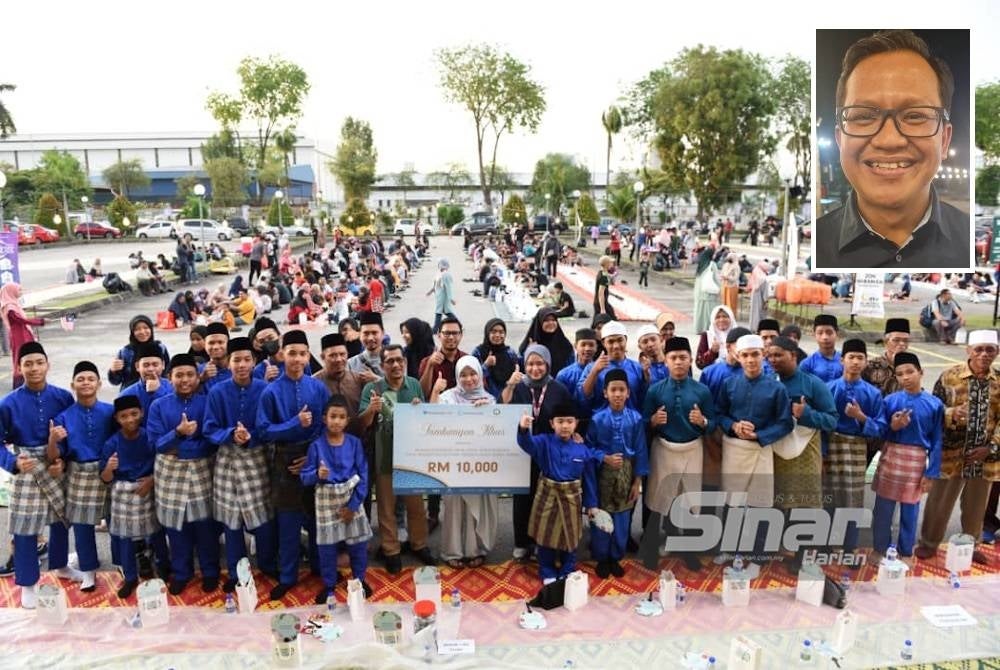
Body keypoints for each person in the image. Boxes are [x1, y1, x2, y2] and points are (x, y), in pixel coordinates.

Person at [815, 30, 968, 269]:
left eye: (915, 116)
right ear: (839, 140)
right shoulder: (815, 245)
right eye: (864, 116)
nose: (889, 140)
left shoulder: (971, 246)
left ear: (944, 140)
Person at [915, 330, 1000, 566]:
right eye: (979, 349)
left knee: (976, 507)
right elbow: (933, 410)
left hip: (983, 456)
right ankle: (928, 544)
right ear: (968, 351)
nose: (984, 354)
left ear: (997, 352)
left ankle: (970, 547)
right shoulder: (948, 376)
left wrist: (991, 447)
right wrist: (952, 414)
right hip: (952, 453)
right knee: (939, 502)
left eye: (990, 350)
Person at [256, 330, 330, 600]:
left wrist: (312, 457)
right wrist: (294, 423)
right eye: (291, 353)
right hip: (284, 461)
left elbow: (325, 426)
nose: (297, 359)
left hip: (314, 457)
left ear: (308, 355)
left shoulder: (318, 388)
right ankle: (288, 576)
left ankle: (321, 569)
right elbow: (264, 431)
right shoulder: (270, 391)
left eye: (302, 353)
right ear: (282, 355)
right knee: (288, 522)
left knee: (316, 520)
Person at [0, 342, 74, 608]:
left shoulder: (63, 397)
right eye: (28, 363)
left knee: (61, 519)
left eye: (38, 362)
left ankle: (61, 566)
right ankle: (28, 582)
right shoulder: (7, 403)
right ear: (19, 368)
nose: (34, 368)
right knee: (24, 526)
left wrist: (62, 460)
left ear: (47, 364)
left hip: (55, 464)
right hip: (26, 465)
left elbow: (71, 432)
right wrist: (13, 462)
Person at [203, 336, 278, 592]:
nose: (242, 364)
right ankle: (237, 572)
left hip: (257, 458)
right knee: (231, 518)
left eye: (247, 359)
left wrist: (251, 437)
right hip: (227, 459)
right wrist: (229, 434)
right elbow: (209, 428)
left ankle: (267, 563)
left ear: (254, 361)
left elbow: (269, 428)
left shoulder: (265, 390)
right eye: (237, 360)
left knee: (263, 516)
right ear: (229, 362)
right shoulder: (217, 392)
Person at [146, 354, 220, 596]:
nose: (185, 380)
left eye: (190, 374)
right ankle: (181, 572)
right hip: (170, 473)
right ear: (170, 378)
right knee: (175, 526)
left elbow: (210, 440)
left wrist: (180, 447)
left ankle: (210, 572)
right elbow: (155, 443)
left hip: (201, 470)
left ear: (198, 377)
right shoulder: (158, 405)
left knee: (204, 525)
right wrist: (178, 433)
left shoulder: (208, 402)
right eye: (179, 375)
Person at [358, 345, 434, 574]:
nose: (395, 365)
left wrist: (420, 412)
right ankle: (391, 550)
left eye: (399, 360)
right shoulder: (373, 388)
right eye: (390, 361)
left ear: (405, 362)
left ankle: (419, 544)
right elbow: (362, 424)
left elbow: (425, 424)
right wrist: (371, 410)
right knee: (386, 507)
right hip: (384, 456)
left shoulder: (414, 386)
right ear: (382, 366)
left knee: (416, 507)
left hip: (411, 458)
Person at [717, 335, 794, 556]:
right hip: (734, 451)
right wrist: (734, 426)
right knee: (732, 502)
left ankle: (758, 556)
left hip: (761, 451)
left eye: (755, 354)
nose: (751, 360)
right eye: (745, 355)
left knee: (759, 505)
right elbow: (719, 413)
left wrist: (759, 435)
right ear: (737, 357)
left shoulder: (776, 389)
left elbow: (785, 423)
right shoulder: (729, 384)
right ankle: (730, 549)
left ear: (764, 356)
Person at [643, 336, 716, 571]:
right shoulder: (655, 390)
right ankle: (651, 549)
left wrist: (702, 421)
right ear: (665, 361)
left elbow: (714, 423)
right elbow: (643, 421)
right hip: (663, 448)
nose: (678, 362)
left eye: (683, 358)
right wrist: (653, 421)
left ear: (690, 360)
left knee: (691, 501)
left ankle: (690, 551)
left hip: (693, 449)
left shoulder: (702, 391)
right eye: (673, 358)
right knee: (657, 500)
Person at [516, 402, 609, 584]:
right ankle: (547, 571)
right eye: (560, 421)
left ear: (575, 424)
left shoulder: (582, 450)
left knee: (571, 538)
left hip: (572, 498)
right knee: (545, 537)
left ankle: (568, 569)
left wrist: (592, 504)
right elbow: (526, 444)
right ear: (552, 423)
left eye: (569, 421)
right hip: (547, 495)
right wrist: (523, 429)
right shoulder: (543, 441)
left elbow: (589, 480)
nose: (565, 426)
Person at [768, 337, 838, 568]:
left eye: (779, 354)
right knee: (776, 502)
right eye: (770, 355)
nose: (773, 359)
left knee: (804, 505)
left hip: (806, 452)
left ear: (793, 355)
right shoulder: (768, 381)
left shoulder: (813, 384)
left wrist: (805, 414)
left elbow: (831, 420)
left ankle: (801, 556)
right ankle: (775, 550)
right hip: (775, 450)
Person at [46, 361, 116, 593]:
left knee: (115, 521)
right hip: (78, 473)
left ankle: (124, 565)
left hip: (108, 470)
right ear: (72, 385)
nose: (86, 383)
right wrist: (53, 440)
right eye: (81, 379)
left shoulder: (110, 411)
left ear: (99, 383)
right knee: (82, 525)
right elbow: (56, 456)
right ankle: (88, 571)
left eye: (90, 379)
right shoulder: (63, 416)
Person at [502, 344, 577, 561]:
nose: (535, 368)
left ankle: (538, 542)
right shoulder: (518, 386)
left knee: (543, 498)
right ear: (524, 365)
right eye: (530, 364)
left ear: (548, 364)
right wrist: (509, 384)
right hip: (521, 449)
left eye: (540, 363)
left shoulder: (558, 388)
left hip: (547, 450)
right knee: (522, 497)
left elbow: (567, 415)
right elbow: (502, 406)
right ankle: (521, 542)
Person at [301, 395, 374, 603]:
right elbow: (305, 477)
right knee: (327, 548)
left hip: (352, 498)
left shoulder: (355, 443)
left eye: (341, 417)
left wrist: (353, 505)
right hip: (326, 500)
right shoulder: (316, 446)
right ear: (324, 418)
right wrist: (318, 475)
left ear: (347, 421)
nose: (336, 421)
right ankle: (329, 585)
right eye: (333, 416)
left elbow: (363, 475)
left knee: (358, 544)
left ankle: (359, 580)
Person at [872, 352, 943, 559]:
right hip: (891, 457)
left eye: (910, 372)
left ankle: (905, 552)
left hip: (916, 462)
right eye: (900, 374)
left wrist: (931, 473)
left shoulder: (934, 404)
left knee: (910, 512)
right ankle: (879, 549)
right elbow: (880, 431)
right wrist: (893, 426)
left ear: (921, 372)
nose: (906, 377)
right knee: (883, 510)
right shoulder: (890, 401)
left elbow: (937, 441)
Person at [100, 395, 171, 599]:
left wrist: (152, 480)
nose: (130, 419)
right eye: (124, 416)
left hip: (148, 487)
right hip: (122, 491)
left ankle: (163, 567)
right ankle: (130, 576)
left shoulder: (150, 437)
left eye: (134, 414)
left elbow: (162, 462)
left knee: (156, 532)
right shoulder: (112, 443)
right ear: (117, 418)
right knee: (124, 537)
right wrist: (109, 468)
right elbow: (105, 479)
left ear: (141, 413)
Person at [432, 356, 499, 569]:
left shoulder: (489, 400)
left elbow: (496, 432)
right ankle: (452, 551)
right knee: (453, 509)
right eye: (463, 374)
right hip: (453, 464)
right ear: (457, 376)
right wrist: (435, 391)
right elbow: (431, 421)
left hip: (479, 465)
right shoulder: (447, 398)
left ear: (480, 375)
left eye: (473, 374)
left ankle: (475, 550)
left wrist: (486, 414)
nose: (469, 379)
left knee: (475, 509)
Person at [825, 339, 885, 554]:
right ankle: (827, 544)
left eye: (860, 358)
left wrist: (860, 417)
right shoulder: (828, 388)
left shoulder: (873, 394)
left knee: (852, 498)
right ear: (842, 360)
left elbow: (879, 428)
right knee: (829, 495)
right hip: (831, 445)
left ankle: (849, 545)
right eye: (851, 357)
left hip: (857, 447)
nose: (856, 362)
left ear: (866, 362)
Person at [587, 369, 648, 579]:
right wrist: (604, 458)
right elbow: (588, 449)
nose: (618, 394)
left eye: (622, 390)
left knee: (622, 518)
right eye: (613, 390)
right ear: (605, 393)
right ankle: (602, 558)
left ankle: (615, 556)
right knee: (603, 516)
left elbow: (640, 450)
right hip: (603, 474)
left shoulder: (636, 419)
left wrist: (637, 482)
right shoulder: (597, 419)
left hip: (627, 474)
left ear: (628, 393)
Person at [579, 321, 645, 413]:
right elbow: (582, 398)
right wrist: (594, 373)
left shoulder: (637, 368)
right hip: (601, 422)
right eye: (611, 341)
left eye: (619, 340)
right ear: (603, 343)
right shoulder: (592, 367)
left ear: (626, 340)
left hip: (631, 423)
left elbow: (643, 399)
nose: (616, 346)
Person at [0, 282, 45, 389]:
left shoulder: (14, 305)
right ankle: (19, 385)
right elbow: (21, 320)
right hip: (19, 337)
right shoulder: (10, 307)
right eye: (19, 290)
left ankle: (29, 383)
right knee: (21, 359)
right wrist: (40, 321)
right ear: (12, 291)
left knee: (29, 357)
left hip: (24, 334)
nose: (21, 292)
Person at [471, 318, 521, 399]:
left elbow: (518, 372)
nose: (497, 335)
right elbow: (471, 376)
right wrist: (486, 365)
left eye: (501, 332)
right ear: (487, 333)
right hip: (484, 399)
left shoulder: (510, 353)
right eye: (493, 331)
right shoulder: (478, 352)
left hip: (507, 398)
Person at [519, 307, 574, 375]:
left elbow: (570, 369)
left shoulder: (564, 344)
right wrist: (529, 352)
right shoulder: (531, 343)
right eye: (546, 320)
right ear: (540, 323)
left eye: (553, 320)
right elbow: (521, 368)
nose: (551, 323)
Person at [800, 314, 843, 383]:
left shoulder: (845, 360)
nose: (825, 337)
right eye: (820, 333)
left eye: (829, 333)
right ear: (814, 335)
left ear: (837, 333)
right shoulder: (807, 364)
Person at [348, 312, 386, 381]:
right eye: (366, 333)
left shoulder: (394, 359)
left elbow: (401, 388)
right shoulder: (351, 364)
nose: (370, 338)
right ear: (360, 335)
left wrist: (376, 379)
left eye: (374, 333)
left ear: (383, 333)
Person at [695, 305, 735, 370]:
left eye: (725, 316)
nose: (721, 320)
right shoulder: (707, 335)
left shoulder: (738, 334)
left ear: (731, 318)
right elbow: (699, 364)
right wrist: (712, 352)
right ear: (713, 320)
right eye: (717, 317)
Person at [693, 248, 720, 334]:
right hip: (709, 293)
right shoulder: (712, 265)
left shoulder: (701, 265)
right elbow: (716, 278)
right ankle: (708, 329)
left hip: (700, 292)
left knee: (700, 312)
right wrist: (719, 287)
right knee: (709, 312)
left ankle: (699, 328)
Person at [428, 258, 456, 334]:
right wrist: (431, 291)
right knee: (445, 311)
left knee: (440, 311)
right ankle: (457, 322)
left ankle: (435, 328)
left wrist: (451, 298)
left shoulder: (446, 274)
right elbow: (435, 284)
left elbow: (448, 287)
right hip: (439, 296)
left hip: (444, 296)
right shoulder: (439, 273)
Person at [593, 256, 618, 322]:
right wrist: (602, 308)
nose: (612, 265)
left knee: (597, 322)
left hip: (600, 302)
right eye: (610, 263)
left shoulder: (601, 272)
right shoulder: (603, 277)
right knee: (612, 319)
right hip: (601, 303)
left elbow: (609, 283)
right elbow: (601, 293)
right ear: (607, 264)